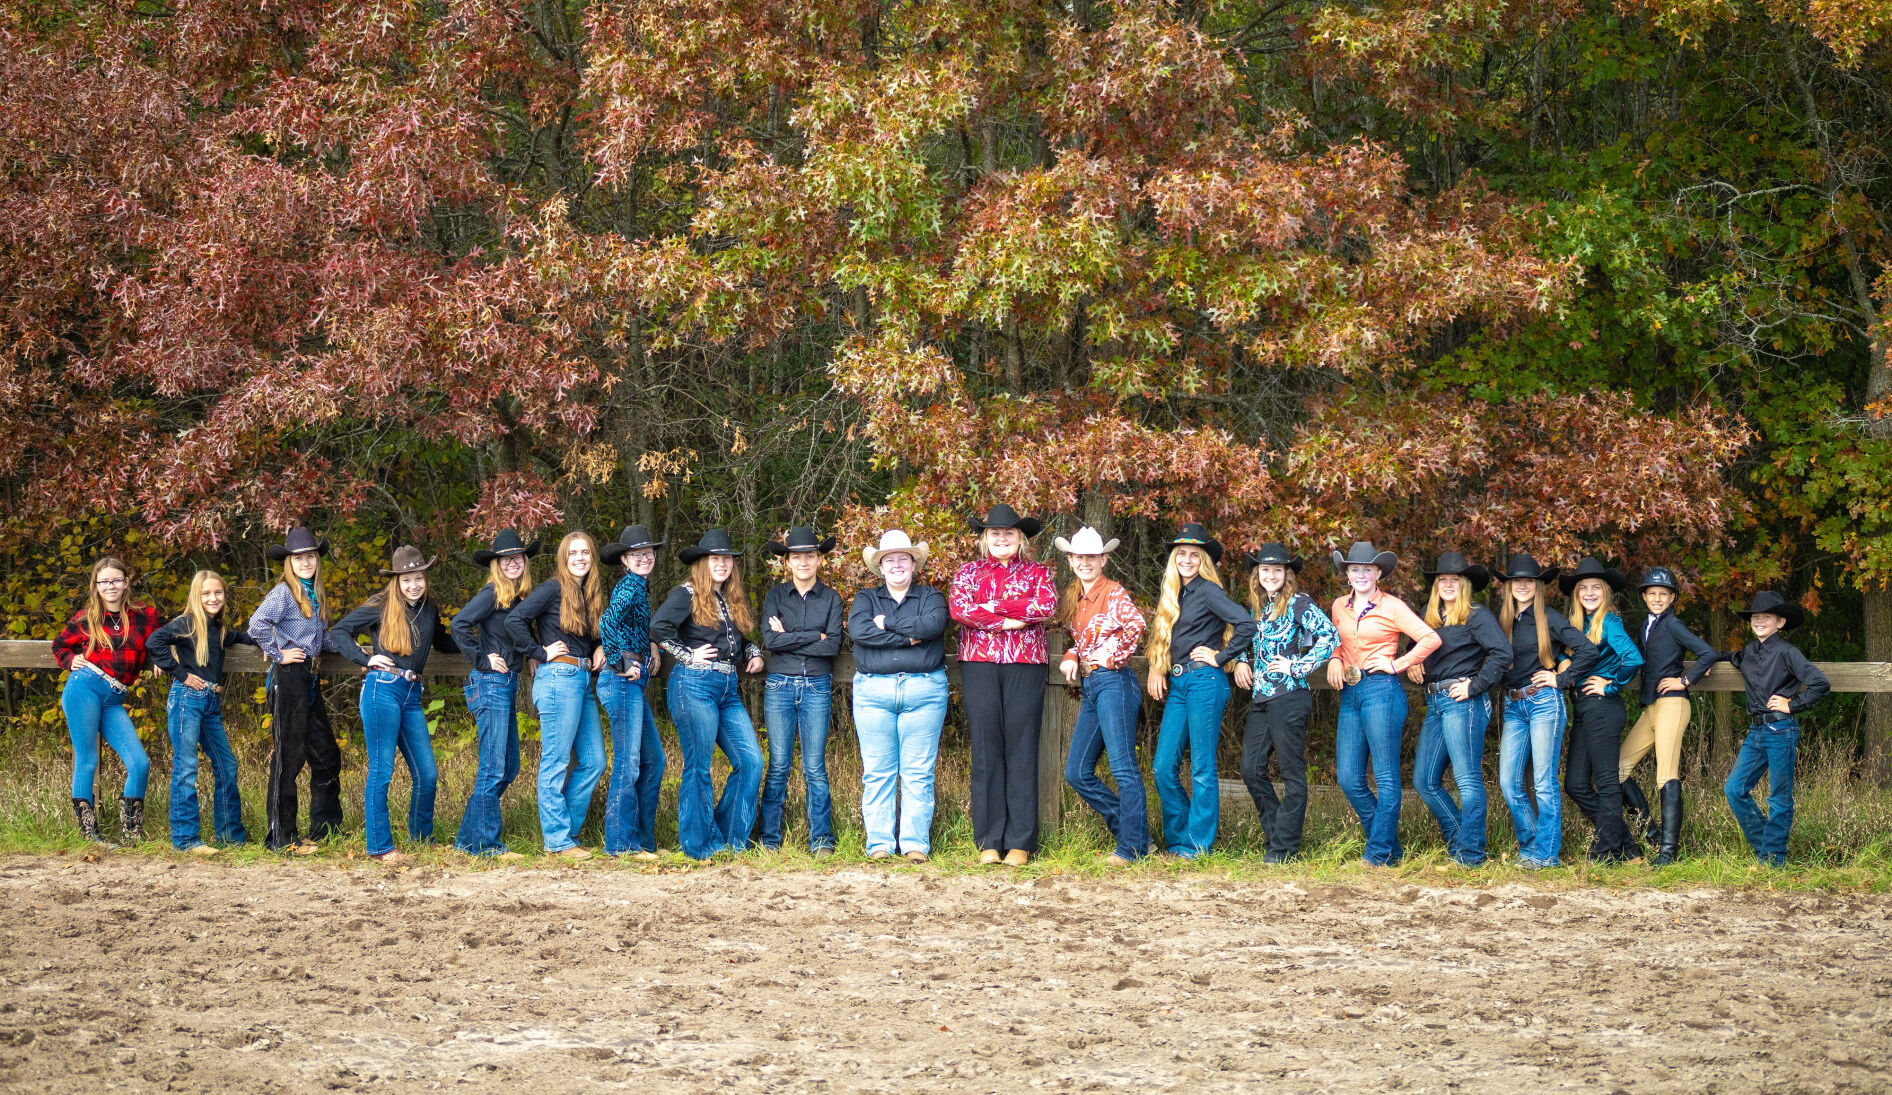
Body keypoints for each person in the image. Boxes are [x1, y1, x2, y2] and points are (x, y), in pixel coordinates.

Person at [331, 545, 459, 864]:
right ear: (396, 581)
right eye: (406, 580)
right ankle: (379, 846)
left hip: (412, 694)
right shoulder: (380, 605)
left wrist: (481, 643)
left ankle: (421, 838)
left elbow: (443, 641)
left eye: (418, 578)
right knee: (382, 769)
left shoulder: (428, 607)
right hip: (382, 690)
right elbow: (339, 632)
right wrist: (364, 657)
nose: (413, 585)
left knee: (427, 773)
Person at [950, 504, 1058, 867]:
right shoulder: (968, 572)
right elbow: (960, 610)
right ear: (985, 538)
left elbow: (1044, 607)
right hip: (979, 663)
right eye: (994, 533)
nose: (1001, 538)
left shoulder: (1038, 572)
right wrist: (1009, 618)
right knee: (986, 750)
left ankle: (1020, 842)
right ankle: (989, 841)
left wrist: (994, 609)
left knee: (1022, 749)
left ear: (1020, 538)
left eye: (1008, 533)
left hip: (1025, 664)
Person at [652, 529, 766, 861]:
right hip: (694, 685)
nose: (721, 564)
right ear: (702, 563)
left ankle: (730, 840)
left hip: (728, 689)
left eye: (726, 558)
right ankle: (699, 846)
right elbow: (659, 627)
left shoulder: (729, 597)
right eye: (714, 558)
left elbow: (736, 642)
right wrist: (687, 655)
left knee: (751, 762)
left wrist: (753, 651)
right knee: (699, 766)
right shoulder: (686, 593)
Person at [1326, 541, 1440, 867]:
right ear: (1347, 574)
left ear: (1378, 573)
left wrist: (1397, 664)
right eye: (1354, 569)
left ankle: (1377, 855)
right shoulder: (1338, 606)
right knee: (1348, 778)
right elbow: (1336, 642)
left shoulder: (1392, 606)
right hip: (1351, 692)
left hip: (1382, 691)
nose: (1361, 574)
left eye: (1367, 569)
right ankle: (1390, 849)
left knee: (1387, 779)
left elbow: (1431, 638)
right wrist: (1334, 659)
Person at [1147, 524, 1256, 859]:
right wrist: (1156, 664)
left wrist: (1221, 657)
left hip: (1205, 683)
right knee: (1163, 768)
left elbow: (1247, 625)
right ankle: (1179, 841)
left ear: (1204, 560)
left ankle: (1197, 846)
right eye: (1182, 554)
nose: (1188, 559)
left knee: (1202, 768)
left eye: (1195, 554)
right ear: (1174, 559)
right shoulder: (1175, 593)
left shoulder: (1208, 590)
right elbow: (1171, 639)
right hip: (1179, 685)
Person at [505, 531, 609, 860]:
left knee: (594, 761)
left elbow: (586, 636)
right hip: (557, 678)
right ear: (563, 559)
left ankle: (568, 835)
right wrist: (538, 651)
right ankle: (557, 841)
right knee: (556, 761)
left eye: (585, 553)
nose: (580, 558)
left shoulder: (589, 593)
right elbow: (515, 620)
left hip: (581, 679)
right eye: (572, 553)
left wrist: (600, 646)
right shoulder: (552, 588)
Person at [1231, 543, 1337, 864]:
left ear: (1287, 574)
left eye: (1278, 570)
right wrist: (1239, 660)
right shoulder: (1256, 607)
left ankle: (1283, 849)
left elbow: (1330, 636)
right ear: (1258, 574)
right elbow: (1244, 638)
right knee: (1250, 770)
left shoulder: (1298, 604)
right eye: (1265, 570)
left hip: (1289, 696)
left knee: (1292, 775)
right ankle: (1280, 835)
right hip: (1262, 697)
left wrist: (1298, 665)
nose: (1271, 575)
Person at [849, 530, 951, 862]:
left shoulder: (932, 597)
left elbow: (932, 626)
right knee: (877, 771)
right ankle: (879, 843)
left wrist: (886, 624)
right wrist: (907, 636)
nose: (896, 565)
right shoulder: (866, 599)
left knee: (917, 772)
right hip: (873, 692)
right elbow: (859, 632)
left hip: (924, 690)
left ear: (913, 564)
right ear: (880, 567)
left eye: (902, 559)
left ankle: (914, 844)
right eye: (889, 560)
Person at [1494, 552, 1597, 869]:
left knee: (1543, 782)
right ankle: (1532, 847)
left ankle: (1545, 855)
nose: (1522, 585)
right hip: (1513, 705)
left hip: (1543, 703)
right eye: (1516, 581)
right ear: (1509, 586)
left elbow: (1587, 650)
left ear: (1538, 586)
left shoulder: (1549, 617)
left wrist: (1561, 678)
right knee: (1509, 783)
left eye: (1529, 581)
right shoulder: (1502, 622)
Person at [1054, 526, 1149, 866]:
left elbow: (1135, 625)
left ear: (1103, 559)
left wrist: (1113, 658)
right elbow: (1083, 639)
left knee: (1123, 767)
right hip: (1093, 686)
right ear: (1071, 561)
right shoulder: (1076, 597)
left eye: (1091, 557)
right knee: (1077, 772)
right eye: (1079, 557)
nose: (1085, 562)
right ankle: (1131, 830)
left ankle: (1132, 848)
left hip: (1114, 683)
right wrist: (1071, 655)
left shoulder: (1112, 592)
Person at [1407, 552, 1509, 867]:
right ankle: (1460, 840)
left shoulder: (1477, 615)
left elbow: (1502, 653)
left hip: (1462, 701)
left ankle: (1471, 855)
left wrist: (1474, 686)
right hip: (1435, 701)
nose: (1448, 584)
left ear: (1464, 585)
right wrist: (1413, 660)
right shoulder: (1428, 614)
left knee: (1467, 779)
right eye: (1443, 579)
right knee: (1424, 781)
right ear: (1436, 584)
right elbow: (1415, 646)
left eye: (1455, 579)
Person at [249, 527, 344, 854]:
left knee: (326, 752)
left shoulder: (313, 593)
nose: (305, 562)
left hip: (308, 678)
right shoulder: (284, 594)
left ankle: (325, 829)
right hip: (288, 676)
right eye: (298, 558)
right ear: (289, 562)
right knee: (289, 759)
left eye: (310, 556)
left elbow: (322, 640)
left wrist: (357, 652)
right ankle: (281, 838)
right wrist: (278, 653)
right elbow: (256, 625)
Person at [53, 556, 160, 846]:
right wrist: (70, 659)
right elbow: (59, 645)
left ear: (126, 583)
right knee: (87, 760)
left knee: (140, 763)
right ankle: (91, 837)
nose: (110, 586)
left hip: (114, 697)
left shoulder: (145, 615)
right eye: (103, 582)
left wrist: (163, 657)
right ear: (96, 586)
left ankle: (131, 835)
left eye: (115, 580)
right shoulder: (86, 618)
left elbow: (167, 637)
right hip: (84, 688)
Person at [147, 570, 254, 855]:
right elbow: (154, 641)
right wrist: (180, 674)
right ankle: (186, 840)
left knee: (227, 765)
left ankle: (230, 836)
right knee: (186, 769)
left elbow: (243, 636)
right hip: (186, 701)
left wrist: (271, 645)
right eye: (206, 593)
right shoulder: (187, 624)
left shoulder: (218, 629)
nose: (213, 597)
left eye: (218, 592)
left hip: (209, 704)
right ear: (196, 596)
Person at [1720, 591, 1830, 867]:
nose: (1759, 621)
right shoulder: (1747, 652)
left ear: (1780, 622)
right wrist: (1705, 666)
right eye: (1755, 617)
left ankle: (1774, 860)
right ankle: (1767, 847)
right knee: (1734, 789)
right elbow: (1728, 656)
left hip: (1781, 730)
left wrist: (1792, 705)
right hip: (1756, 733)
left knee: (1778, 797)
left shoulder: (1788, 652)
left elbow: (1820, 684)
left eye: (1766, 617)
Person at [1619, 566, 1718, 865]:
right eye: (1652, 594)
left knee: (1666, 774)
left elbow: (1708, 653)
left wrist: (1686, 681)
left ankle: (1668, 853)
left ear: (1672, 597)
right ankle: (1651, 833)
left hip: (1673, 704)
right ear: (1644, 597)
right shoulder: (1644, 626)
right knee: (1618, 768)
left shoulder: (1674, 624)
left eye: (1664, 594)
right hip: (1651, 707)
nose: (1658, 598)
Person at [450, 530, 538, 859]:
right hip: (491, 684)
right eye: (506, 559)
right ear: (497, 565)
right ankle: (487, 845)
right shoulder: (492, 594)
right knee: (492, 767)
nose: (512, 563)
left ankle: (466, 840)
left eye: (517, 558)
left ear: (524, 562)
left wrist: (530, 653)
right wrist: (482, 658)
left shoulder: (518, 597)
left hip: (507, 684)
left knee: (510, 766)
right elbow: (459, 624)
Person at [758, 526, 846, 855]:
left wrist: (792, 636)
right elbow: (771, 642)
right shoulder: (775, 597)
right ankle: (769, 840)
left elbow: (833, 646)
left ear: (819, 559)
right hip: (780, 685)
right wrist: (814, 636)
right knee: (779, 765)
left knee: (814, 768)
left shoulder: (832, 598)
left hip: (817, 686)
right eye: (797, 556)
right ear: (788, 562)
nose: (804, 561)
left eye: (810, 555)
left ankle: (821, 839)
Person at [1560, 558, 1643, 863]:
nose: (1590, 592)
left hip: (1603, 706)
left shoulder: (1609, 621)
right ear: (1576, 594)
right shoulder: (1575, 624)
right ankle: (1626, 845)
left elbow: (1633, 658)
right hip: (1584, 708)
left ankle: (1606, 852)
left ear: (1606, 592)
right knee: (1576, 784)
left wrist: (1610, 685)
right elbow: (1561, 648)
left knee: (1607, 781)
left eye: (1596, 587)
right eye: (1584, 588)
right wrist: (1561, 660)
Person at [597, 525, 668, 861]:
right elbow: (607, 623)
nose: (644, 557)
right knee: (628, 763)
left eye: (648, 552)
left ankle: (642, 839)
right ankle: (621, 844)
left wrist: (652, 648)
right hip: (621, 680)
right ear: (624, 559)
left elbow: (632, 627)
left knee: (654, 759)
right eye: (636, 554)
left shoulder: (639, 586)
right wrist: (621, 659)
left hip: (633, 681)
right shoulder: (629, 585)